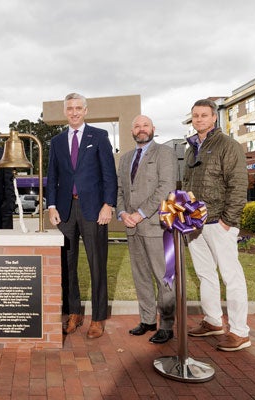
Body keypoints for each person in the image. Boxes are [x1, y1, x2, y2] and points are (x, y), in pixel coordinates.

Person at [47, 92, 117, 338]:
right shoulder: (56, 142)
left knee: (97, 264)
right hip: (65, 211)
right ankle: (73, 312)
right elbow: (52, 176)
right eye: (70, 109)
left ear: (85, 110)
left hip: (94, 210)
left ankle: (97, 318)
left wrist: (108, 204)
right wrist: (52, 206)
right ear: (65, 112)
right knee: (66, 265)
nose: (74, 112)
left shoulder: (99, 136)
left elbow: (109, 173)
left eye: (78, 108)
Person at [182, 99, 251, 351]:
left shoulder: (228, 145)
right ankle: (213, 321)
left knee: (231, 277)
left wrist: (227, 221)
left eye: (204, 115)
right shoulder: (191, 149)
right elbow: (187, 186)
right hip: (195, 225)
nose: (199, 119)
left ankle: (240, 332)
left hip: (220, 223)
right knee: (205, 275)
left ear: (214, 118)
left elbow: (238, 185)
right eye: (195, 116)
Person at [116, 115, 177, 344]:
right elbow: (120, 190)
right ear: (132, 131)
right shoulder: (125, 159)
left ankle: (167, 325)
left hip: (155, 226)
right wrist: (122, 213)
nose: (141, 129)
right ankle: (148, 319)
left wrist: (140, 213)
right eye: (137, 126)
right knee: (140, 276)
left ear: (153, 128)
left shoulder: (165, 153)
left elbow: (166, 187)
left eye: (145, 125)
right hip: (132, 228)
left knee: (164, 277)